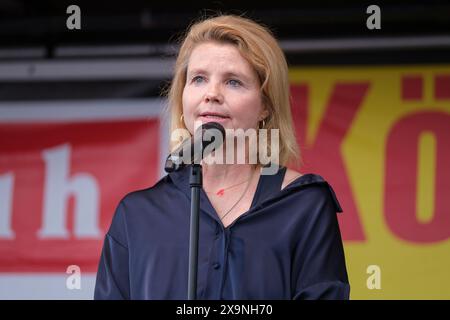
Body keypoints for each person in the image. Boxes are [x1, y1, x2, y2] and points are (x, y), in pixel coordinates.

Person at [94, 14, 349, 300]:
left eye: (233, 82)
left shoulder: (303, 205)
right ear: (183, 95)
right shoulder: (137, 215)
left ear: (265, 105)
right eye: (199, 79)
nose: (211, 94)